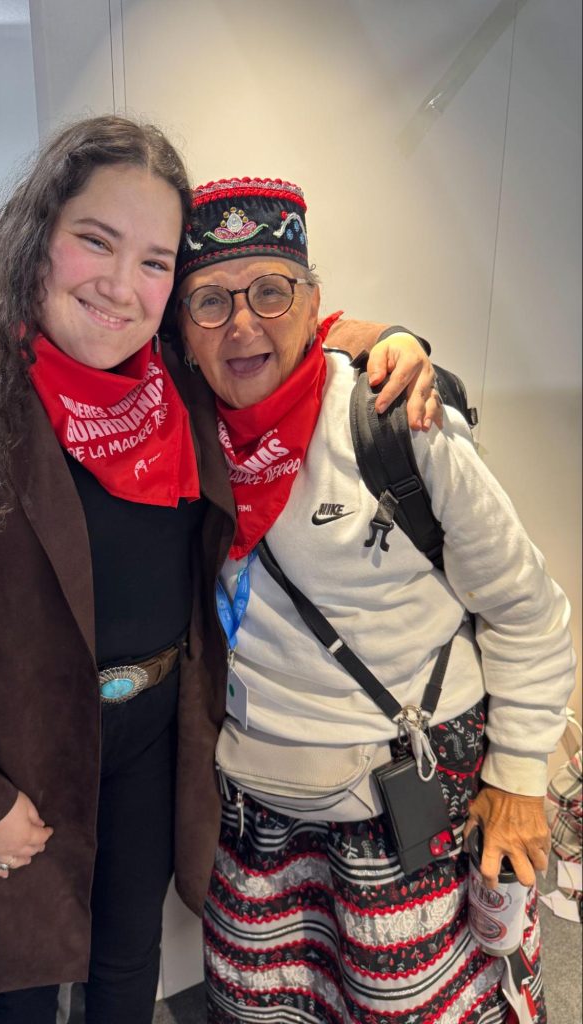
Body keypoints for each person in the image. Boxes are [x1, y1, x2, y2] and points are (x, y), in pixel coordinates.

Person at [0, 118, 435, 1024]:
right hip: (15, 752)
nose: (123, 287)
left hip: (158, 733)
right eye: (96, 241)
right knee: (22, 983)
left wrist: (395, 337)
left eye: (157, 261)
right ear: (39, 232)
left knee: (129, 961)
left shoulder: (171, 377)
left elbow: (276, 330)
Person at [172, 176, 577, 1024]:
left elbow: (528, 610)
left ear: (313, 300)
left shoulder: (393, 417)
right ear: (182, 327)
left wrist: (519, 775)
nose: (242, 323)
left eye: (270, 292)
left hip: (408, 803)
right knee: (269, 1007)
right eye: (210, 301)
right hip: (259, 819)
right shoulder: (178, 436)